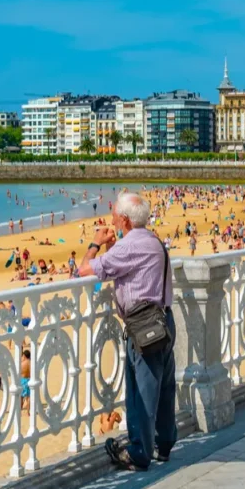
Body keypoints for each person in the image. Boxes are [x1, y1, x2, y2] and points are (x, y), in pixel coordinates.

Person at [78, 191, 177, 471]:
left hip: (142, 326)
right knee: (165, 387)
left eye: (113, 216)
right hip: (163, 321)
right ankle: (164, 444)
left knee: (141, 392)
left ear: (123, 220)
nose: (110, 219)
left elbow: (83, 269)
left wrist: (95, 242)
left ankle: (140, 453)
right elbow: (121, 270)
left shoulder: (129, 246)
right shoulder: (154, 241)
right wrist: (112, 246)